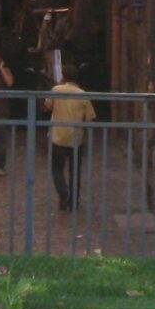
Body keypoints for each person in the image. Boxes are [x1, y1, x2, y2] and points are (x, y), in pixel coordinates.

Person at [47, 75, 94, 214]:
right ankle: (74, 202)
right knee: (75, 172)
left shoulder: (56, 90)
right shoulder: (82, 94)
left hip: (58, 136)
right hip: (76, 138)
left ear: (63, 77)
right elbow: (89, 116)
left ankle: (63, 192)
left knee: (57, 168)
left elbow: (47, 105)